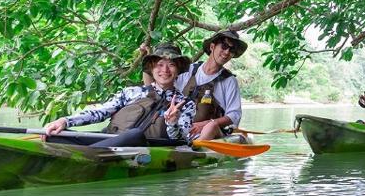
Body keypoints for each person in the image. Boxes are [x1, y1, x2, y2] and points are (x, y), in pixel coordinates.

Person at [42, 44, 196, 146]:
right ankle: (89, 153)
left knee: (135, 135)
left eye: (171, 65)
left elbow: (180, 140)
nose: (165, 70)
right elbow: (100, 112)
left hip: (144, 147)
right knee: (53, 136)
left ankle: (86, 154)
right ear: (151, 68)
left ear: (178, 70)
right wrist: (65, 121)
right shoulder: (131, 92)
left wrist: (172, 123)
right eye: (160, 65)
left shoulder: (186, 104)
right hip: (109, 141)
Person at [175, 29, 245, 140]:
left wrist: (205, 124)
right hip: (181, 130)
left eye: (232, 50)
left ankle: (194, 149)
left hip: (212, 135)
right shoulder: (189, 70)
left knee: (210, 127)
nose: (227, 52)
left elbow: (234, 115)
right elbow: (160, 85)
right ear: (212, 47)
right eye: (224, 46)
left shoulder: (229, 80)